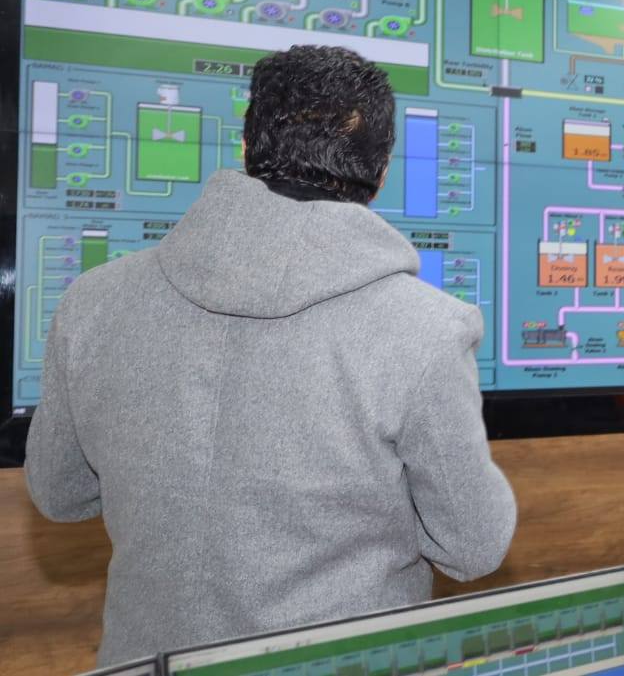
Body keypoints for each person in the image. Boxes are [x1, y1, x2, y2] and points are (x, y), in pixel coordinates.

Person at [26, 45, 516, 665]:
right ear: (383, 169)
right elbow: (472, 547)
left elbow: (60, 493)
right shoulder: (426, 329)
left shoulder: (93, 300)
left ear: (246, 147)